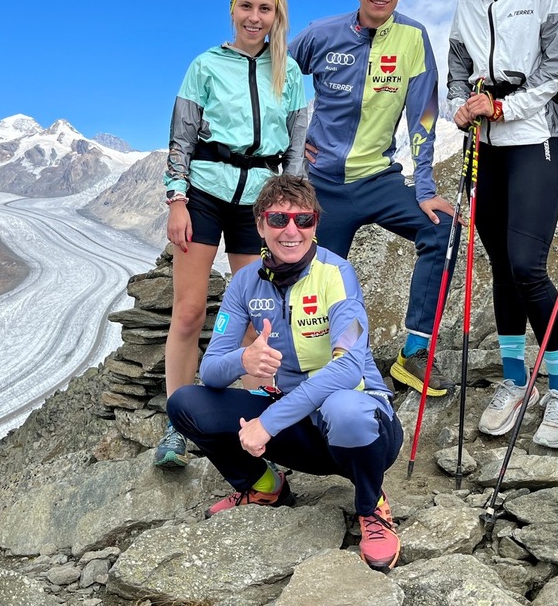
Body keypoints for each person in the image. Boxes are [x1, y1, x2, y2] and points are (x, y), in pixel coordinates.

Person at [166, 174, 404, 572]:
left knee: (346, 409)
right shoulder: (245, 283)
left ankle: (371, 506)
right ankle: (264, 487)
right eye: (278, 220)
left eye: (303, 220)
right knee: (186, 403)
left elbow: (348, 367)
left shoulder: (338, 275)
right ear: (260, 225)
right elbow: (210, 370)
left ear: (315, 225)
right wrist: (242, 361)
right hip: (297, 424)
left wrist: (268, 423)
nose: (292, 230)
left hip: (363, 425)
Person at [157, 0, 310, 468]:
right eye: (247, 6)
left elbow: (295, 149)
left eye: (265, 8)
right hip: (203, 194)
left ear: (276, 14)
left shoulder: (289, 74)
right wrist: (176, 200)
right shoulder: (204, 66)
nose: (255, 16)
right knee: (189, 312)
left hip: (259, 205)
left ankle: (251, 423)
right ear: (232, 9)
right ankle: (177, 424)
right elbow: (181, 139)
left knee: (256, 322)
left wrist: (289, 207)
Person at [289, 0, 454, 397]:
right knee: (309, 283)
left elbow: (423, 116)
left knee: (441, 228)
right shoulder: (320, 34)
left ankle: (414, 355)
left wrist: (424, 188)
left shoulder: (413, 38)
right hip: (322, 186)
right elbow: (275, 79)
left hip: (379, 180)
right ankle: (314, 373)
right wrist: (288, 155)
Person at [446, 0, 558, 448]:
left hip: (533, 139)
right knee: (501, 264)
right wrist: (461, 105)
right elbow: (457, 72)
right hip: (485, 146)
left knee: (527, 265)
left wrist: (504, 109)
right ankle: (513, 379)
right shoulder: (464, 5)